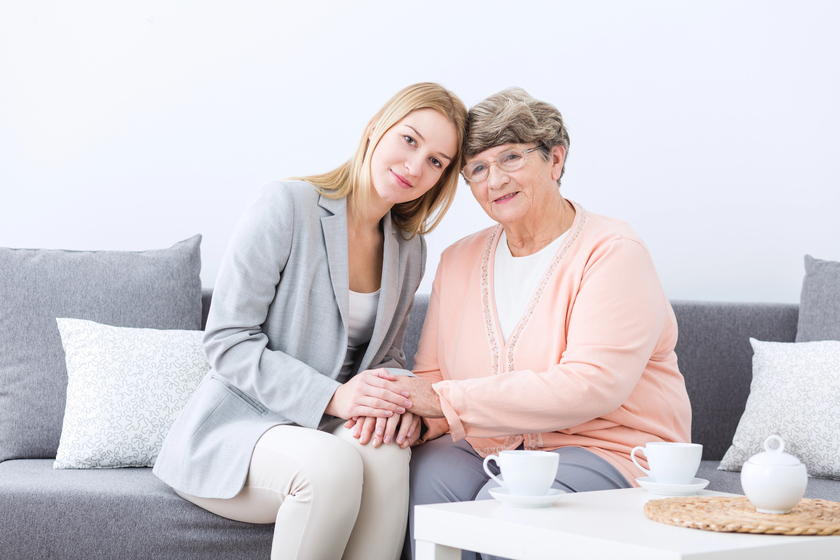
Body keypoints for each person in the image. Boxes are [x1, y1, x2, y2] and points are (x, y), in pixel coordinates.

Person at [153, 82, 467, 560]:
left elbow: (388, 357)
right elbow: (228, 340)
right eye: (409, 140)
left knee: (385, 454)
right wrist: (336, 396)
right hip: (242, 425)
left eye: (436, 161)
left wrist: (400, 404)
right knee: (332, 466)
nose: (415, 165)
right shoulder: (287, 204)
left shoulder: (409, 248)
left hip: (329, 427)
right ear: (374, 130)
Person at [393, 88, 692, 560]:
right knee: (424, 480)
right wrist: (410, 419)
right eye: (477, 168)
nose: (495, 180)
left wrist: (443, 401)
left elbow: (591, 385)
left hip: (605, 447)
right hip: (487, 445)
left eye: (511, 157)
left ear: (555, 158)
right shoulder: (457, 260)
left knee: (506, 508)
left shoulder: (612, 251)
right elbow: (432, 376)